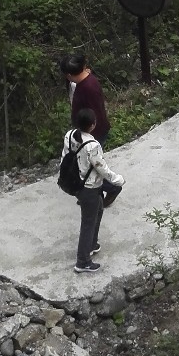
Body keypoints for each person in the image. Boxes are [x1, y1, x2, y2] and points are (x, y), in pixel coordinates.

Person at [63, 105, 124, 272]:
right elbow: (101, 167)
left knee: (98, 209)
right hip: (89, 186)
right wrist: (117, 179)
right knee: (88, 223)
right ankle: (82, 261)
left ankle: (92, 244)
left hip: (76, 183)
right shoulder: (92, 145)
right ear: (92, 125)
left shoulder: (69, 136)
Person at [62, 50, 109, 142]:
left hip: (93, 134)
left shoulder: (88, 88)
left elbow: (95, 114)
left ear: (68, 75)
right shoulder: (83, 81)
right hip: (88, 131)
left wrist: (87, 137)